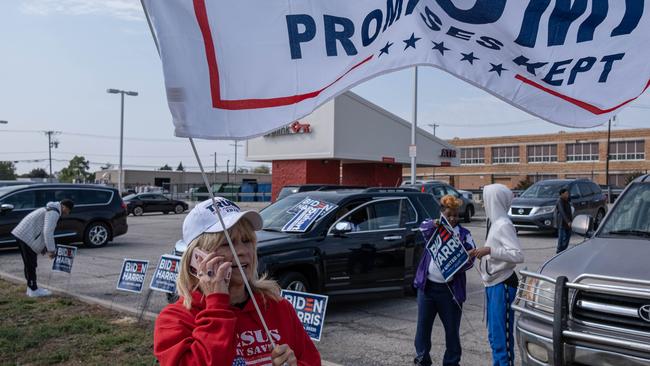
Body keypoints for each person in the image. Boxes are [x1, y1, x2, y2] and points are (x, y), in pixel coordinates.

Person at [154, 198, 321, 366]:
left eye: (247, 241)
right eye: (227, 243)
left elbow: (312, 361)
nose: (242, 251)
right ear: (198, 259)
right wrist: (217, 306)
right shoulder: (175, 320)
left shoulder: (276, 306)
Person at [413, 195, 476, 366]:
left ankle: (451, 362)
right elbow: (422, 227)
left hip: (451, 292)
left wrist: (465, 254)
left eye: (456, 215)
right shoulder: (434, 228)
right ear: (442, 213)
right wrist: (435, 223)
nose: (453, 219)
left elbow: (471, 260)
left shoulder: (464, 234)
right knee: (423, 328)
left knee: (452, 331)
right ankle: (422, 360)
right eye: (449, 215)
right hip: (427, 288)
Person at [469, 184, 524, 366]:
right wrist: (480, 252)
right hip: (493, 284)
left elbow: (517, 254)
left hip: (504, 284)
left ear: (494, 200)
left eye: (486, 200)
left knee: (502, 339)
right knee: (494, 336)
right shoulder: (494, 223)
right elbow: (494, 251)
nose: (484, 205)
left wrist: (489, 250)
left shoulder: (503, 224)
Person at [11, 199, 74, 297]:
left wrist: (44, 247)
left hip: (22, 234)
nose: (67, 213)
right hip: (25, 236)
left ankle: (30, 288)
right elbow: (48, 232)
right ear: (64, 207)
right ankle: (33, 290)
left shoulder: (49, 209)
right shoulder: (54, 212)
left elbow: (41, 229)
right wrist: (51, 250)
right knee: (31, 264)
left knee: (29, 264)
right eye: (69, 211)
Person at [556, 188, 573, 253]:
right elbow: (562, 212)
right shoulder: (560, 201)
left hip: (569, 222)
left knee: (567, 238)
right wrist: (568, 221)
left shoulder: (567, 201)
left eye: (568, 193)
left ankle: (563, 250)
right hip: (562, 222)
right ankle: (559, 251)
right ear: (561, 194)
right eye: (566, 194)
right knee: (561, 238)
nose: (567, 195)